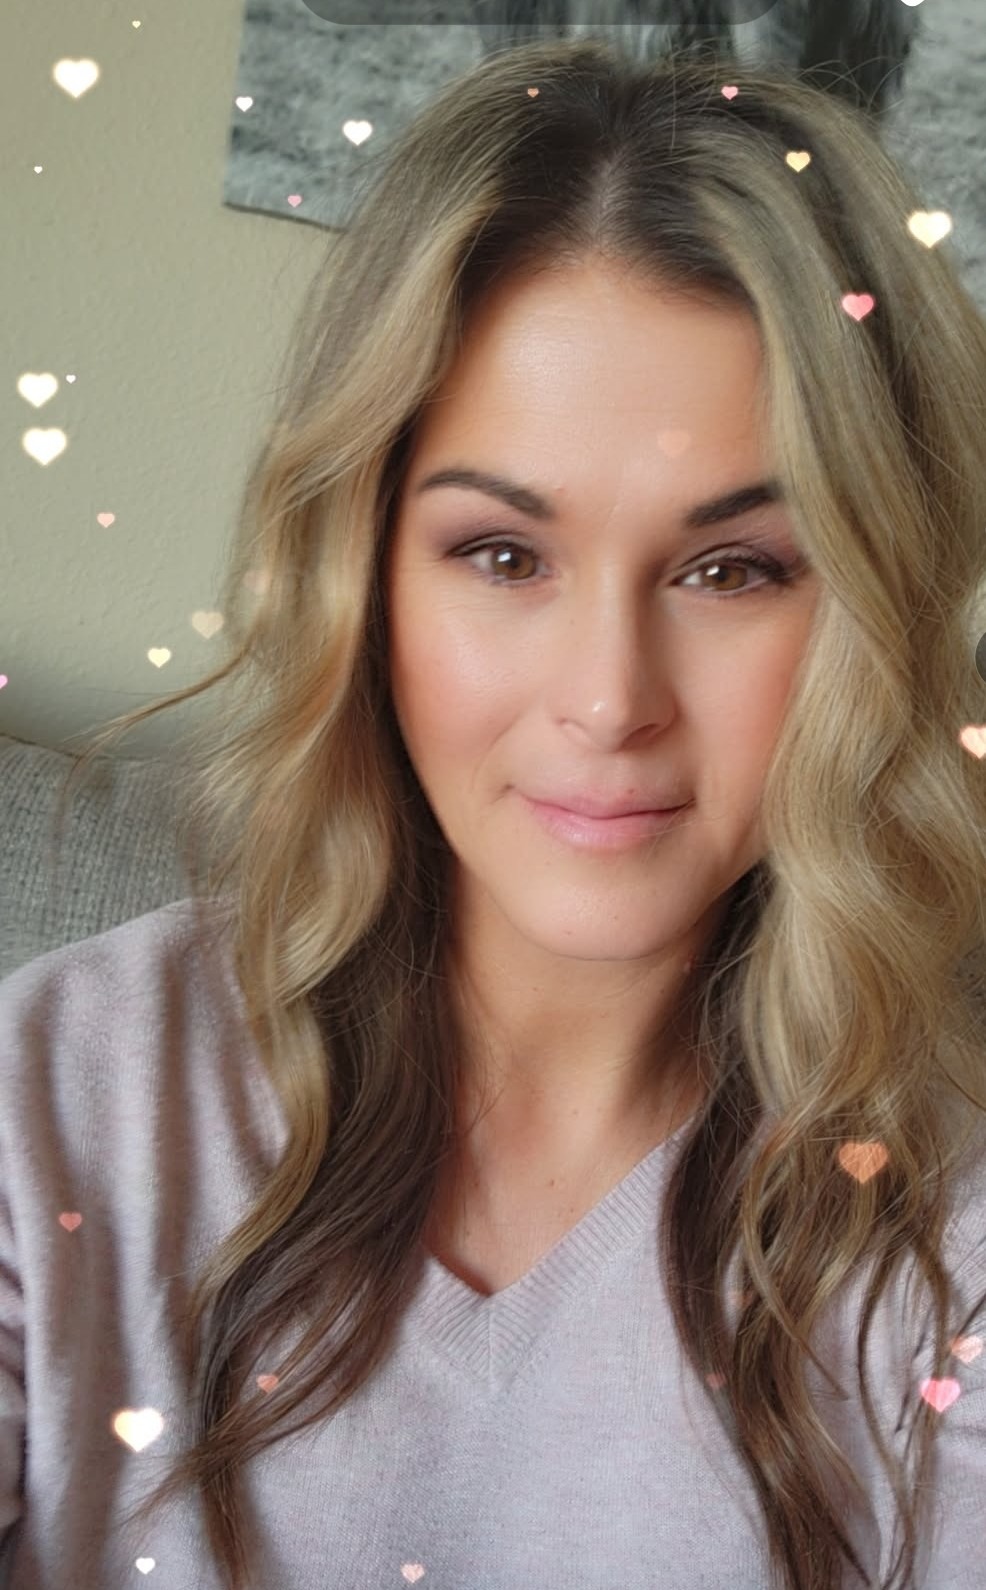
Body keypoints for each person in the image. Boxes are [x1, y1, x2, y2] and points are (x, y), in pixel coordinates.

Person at [3, 33, 986, 1590]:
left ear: (869, 612)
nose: (607, 698)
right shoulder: (54, 1102)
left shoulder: (948, 1249)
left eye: (731, 569)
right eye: (504, 555)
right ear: (364, 573)